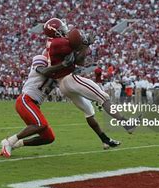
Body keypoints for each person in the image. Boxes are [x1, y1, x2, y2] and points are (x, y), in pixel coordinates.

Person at [43, 18, 136, 148]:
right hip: (70, 79)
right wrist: (86, 44)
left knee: (89, 111)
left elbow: (75, 57)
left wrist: (83, 44)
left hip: (63, 85)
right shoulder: (59, 43)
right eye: (61, 28)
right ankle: (127, 124)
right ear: (56, 32)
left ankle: (105, 140)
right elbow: (80, 61)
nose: (64, 29)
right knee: (104, 97)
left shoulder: (51, 42)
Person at [0, 53, 74, 157]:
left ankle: (17, 144)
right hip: (26, 100)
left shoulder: (59, 69)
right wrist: (63, 65)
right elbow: (44, 71)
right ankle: (9, 142)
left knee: (49, 138)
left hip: (35, 104)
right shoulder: (42, 59)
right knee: (40, 124)